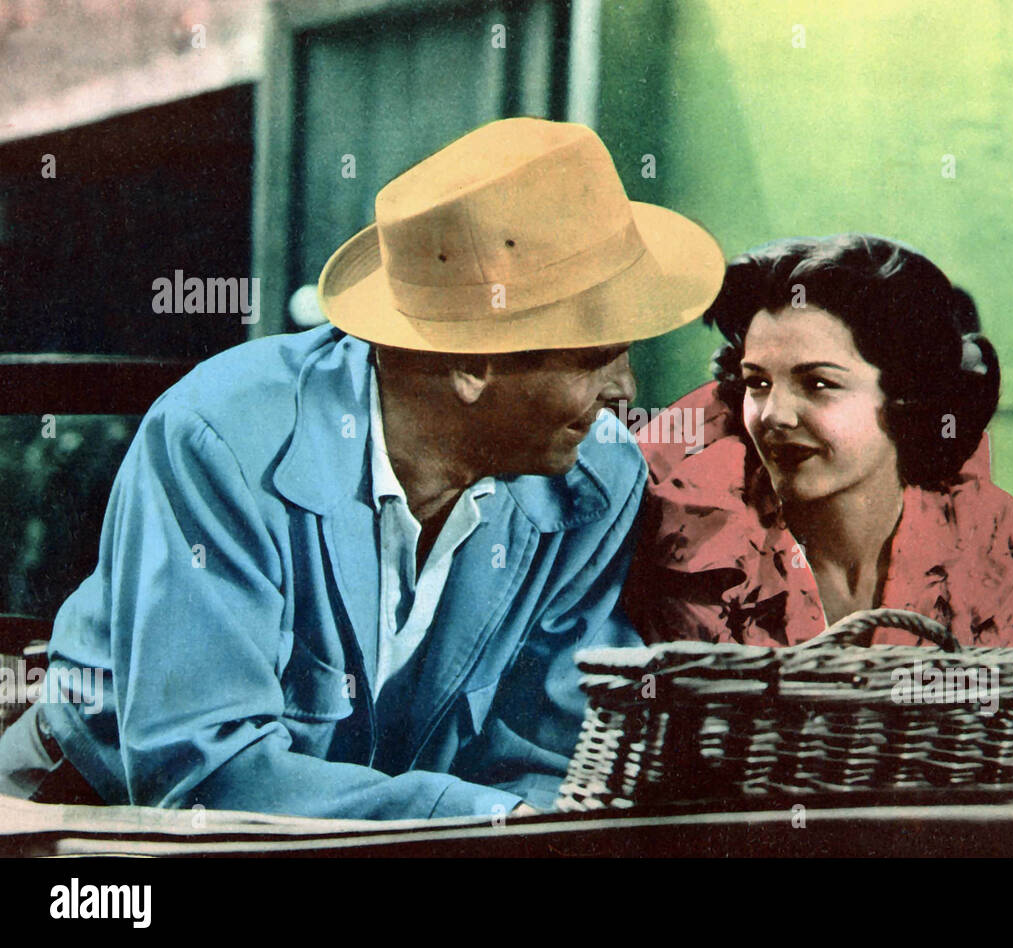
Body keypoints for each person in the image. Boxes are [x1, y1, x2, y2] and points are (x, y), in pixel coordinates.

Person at [0, 117, 725, 820]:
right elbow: (205, 781)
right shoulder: (220, 441)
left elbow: (543, 752)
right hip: (87, 823)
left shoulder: (594, 480)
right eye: (597, 355)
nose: (624, 391)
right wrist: (479, 820)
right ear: (474, 364)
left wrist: (506, 833)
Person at [624, 234, 1013, 649]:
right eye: (758, 383)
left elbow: (1009, 703)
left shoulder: (981, 526)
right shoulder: (704, 535)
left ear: (907, 397)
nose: (774, 416)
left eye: (818, 383)